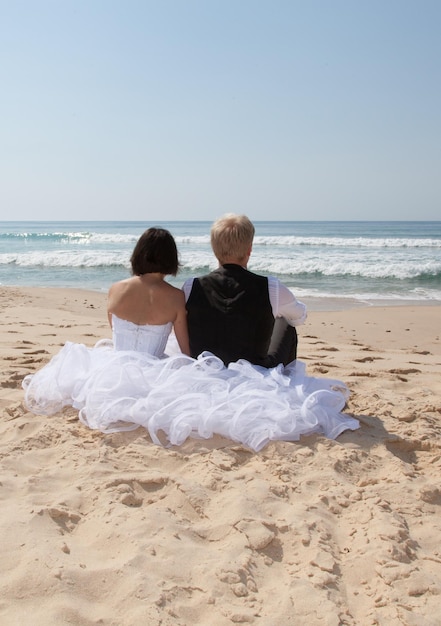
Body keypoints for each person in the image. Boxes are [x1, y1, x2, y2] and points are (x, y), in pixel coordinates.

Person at [23, 225, 359, 452]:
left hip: (111, 367)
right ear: (171, 260)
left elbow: (113, 326)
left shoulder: (115, 290)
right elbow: (186, 348)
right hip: (153, 368)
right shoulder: (173, 297)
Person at [183, 213, 306, 366]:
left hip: (206, 369)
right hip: (255, 372)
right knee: (286, 322)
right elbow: (299, 317)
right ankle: (286, 384)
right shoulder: (271, 287)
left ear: (214, 250)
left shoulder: (191, 286)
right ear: (249, 249)